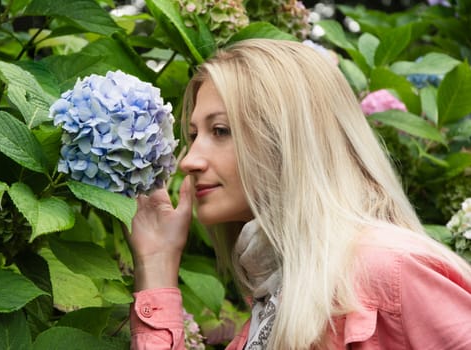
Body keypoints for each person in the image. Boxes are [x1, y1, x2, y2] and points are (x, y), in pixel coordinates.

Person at [127, 39, 471, 349]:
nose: (189, 160)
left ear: (288, 140)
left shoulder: (387, 269)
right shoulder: (275, 301)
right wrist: (156, 263)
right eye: (193, 134)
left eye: (220, 131)